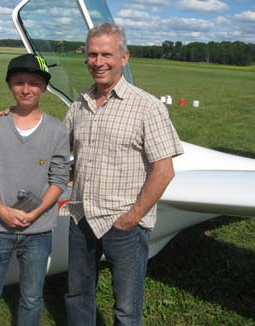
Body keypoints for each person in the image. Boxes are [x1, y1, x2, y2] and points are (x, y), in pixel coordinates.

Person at [63, 23, 184, 325]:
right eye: (92, 54)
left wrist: (132, 217)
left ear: (124, 58)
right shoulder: (79, 104)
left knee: (127, 308)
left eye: (106, 54)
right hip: (82, 217)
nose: (98, 62)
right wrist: (17, 116)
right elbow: (55, 150)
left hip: (124, 223)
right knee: (78, 295)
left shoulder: (147, 107)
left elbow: (164, 171)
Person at [0, 53, 71, 326]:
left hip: (38, 231)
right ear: (9, 86)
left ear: (44, 87)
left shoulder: (56, 130)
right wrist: (1, 210)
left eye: (33, 83)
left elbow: (60, 177)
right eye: (19, 82)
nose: (26, 89)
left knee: (31, 298)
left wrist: (36, 212)